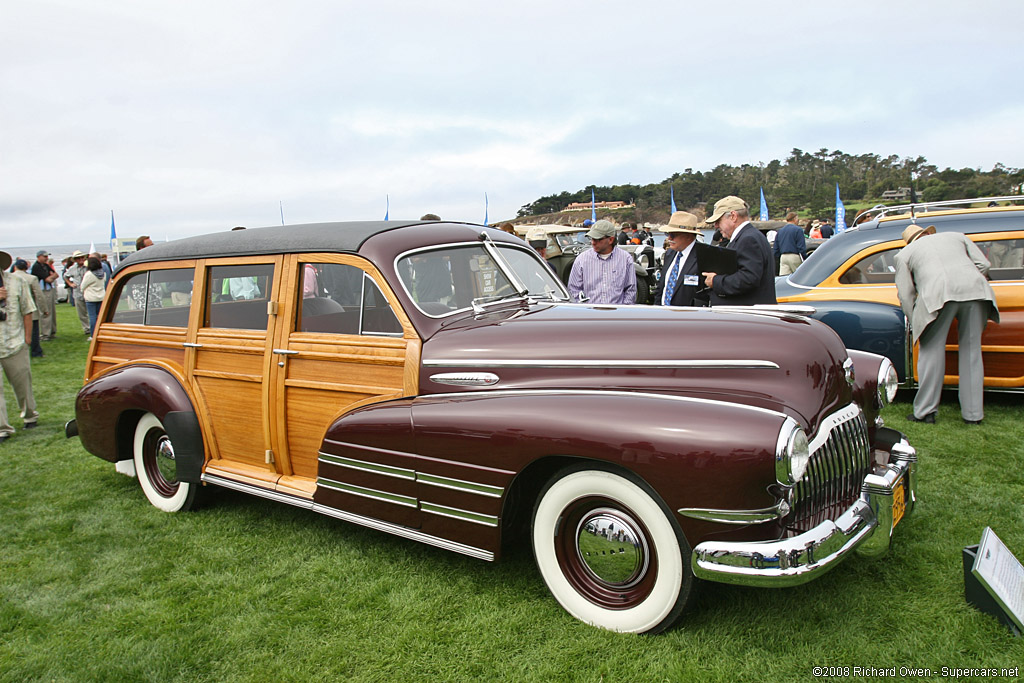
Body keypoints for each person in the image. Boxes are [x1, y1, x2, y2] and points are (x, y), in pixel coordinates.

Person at [895, 225, 999, 425]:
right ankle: (973, 415)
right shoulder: (957, 236)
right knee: (971, 351)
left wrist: (914, 319)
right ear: (928, 233)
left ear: (909, 241)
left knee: (931, 351)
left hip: (936, 296)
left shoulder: (904, 254)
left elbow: (906, 294)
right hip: (976, 291)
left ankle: (925, 412)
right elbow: (984, 265)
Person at [702, 196, 777, 306]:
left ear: (733, 216)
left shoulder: (748, 239)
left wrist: (715, 281)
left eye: (718, 221)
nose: (716, 226)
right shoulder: (750, 236)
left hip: (747, 316)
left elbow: (748, 279)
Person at [0, 250, 39, 442]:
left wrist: (27, 339)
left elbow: (27, 310)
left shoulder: (17, 282)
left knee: (22, 384)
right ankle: (2, 428)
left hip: (15, 342)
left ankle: (30, 415)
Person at [568, 219, 636, 304]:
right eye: (591, 238)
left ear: (611, 240)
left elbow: (631, 290)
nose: (593, 242)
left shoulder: (626, 259)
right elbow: (573, 290)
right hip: (589, 314)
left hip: (616, 314)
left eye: (597, 239)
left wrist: (622, 312)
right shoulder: (581, 259)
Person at [653, 212, 707, 307]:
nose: (669, 238)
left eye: (673, 235)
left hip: (689, 317)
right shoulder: (670, 253)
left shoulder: (704, 256)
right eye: (667, 234)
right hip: (663, 315)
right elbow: (661, 287)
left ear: (688, 236)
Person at [11, 259, 44, 357]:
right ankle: (35, 351)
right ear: (26, 267)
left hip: (15, 309)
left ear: (15, 267)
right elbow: (39, 295)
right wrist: (44, 309)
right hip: (30, 307)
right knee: (33, 331)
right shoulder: (31, 278)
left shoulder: (10, 278)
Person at [30, 250, 58, 340]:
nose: (47, 258)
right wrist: (51, 277)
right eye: (45, 257)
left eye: (47, 256)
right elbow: (48, 279)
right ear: (39, 257)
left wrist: (51, 276)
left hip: (49, 289)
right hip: (43, 290)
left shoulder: (45, 265)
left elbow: (55, 275)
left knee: (52, 311)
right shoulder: (36, 267)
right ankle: (46, 333)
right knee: (46, 311)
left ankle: (52, 331)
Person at [774, 212, 807, 276]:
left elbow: (776, 247)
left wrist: (777, 257)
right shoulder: (798, 230)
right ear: (795, 219)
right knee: (799, 277)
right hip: (794, 256)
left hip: (783, 257)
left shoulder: (780, 231)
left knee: (783, 277)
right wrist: (804, 257)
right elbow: (801, 247)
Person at [65, 250, 91, 334]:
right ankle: (86, 328)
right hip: (77, 293)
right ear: (75, 260)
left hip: (89, 292)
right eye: (78, 258)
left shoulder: (89, 266)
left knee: (91, 312)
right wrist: (70, 284)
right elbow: (65, 276)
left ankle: (94, 327)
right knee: (81, 313)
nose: (81, 259)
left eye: (82, 257)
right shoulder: (72, 269)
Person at [81, 256, 107, 338]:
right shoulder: (103, 273)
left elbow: (82, 286)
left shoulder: (89, 274)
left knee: (92, 317)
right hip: (101, 296)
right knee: (100, 317)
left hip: (91, 298)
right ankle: (101, 333)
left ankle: (93, 335)